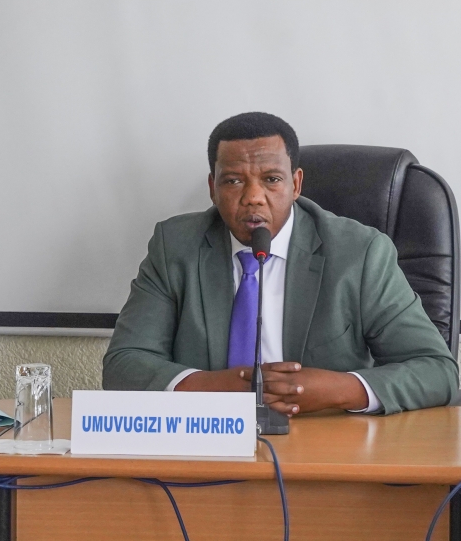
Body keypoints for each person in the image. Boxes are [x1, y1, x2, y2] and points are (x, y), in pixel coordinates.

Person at [102, 112, 458, 416]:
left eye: (271, 180)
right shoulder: (175, 246)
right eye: (234, 180)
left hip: (326, 449)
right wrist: (212, 388)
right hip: (206, 445)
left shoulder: (360, 253)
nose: (253, 197)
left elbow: (438, 372)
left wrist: (343, 389)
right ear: (213, 188)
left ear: (296, 184)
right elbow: (124, 365)